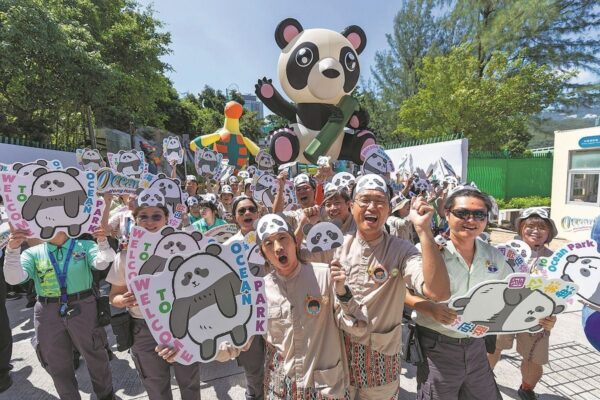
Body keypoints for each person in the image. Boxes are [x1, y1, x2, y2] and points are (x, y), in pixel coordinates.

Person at [411, 187, 553, 399]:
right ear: (446, 213)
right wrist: (427, 307)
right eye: (462, 213)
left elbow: (513, 296)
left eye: (479, 215)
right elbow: (400, 292)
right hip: (437, 347)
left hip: (476, 345)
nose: (471, 219)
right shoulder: (428, 249)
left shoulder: (493, 255)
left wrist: (540, 316)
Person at [217, 214, 368, 399]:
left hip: (324, 387)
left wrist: (343, 291)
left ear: (295, 242)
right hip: (281, 388)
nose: (278, 248)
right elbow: (241, 340)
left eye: (283, 238)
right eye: (269, 244)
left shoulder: (326, 276)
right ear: (262, 253)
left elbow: (358, 327)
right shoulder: (260, 291)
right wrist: (195, 347)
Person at [334, 174, 450, 399]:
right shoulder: (336, 246)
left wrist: (424, 230)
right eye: (364, 200)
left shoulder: (401, 250)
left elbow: (438, 292)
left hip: (381, 355)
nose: (372, 207)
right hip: (340, 354)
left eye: (379, 201)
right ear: (351, 205)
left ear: (388, 209)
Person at [4, 227, 116, 400]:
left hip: (83, 306)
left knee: (95, 354)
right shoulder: (33, 252)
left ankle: (106, 395)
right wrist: (12, 250)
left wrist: (102, 241)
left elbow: (103, 261)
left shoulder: (84, 245)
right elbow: (13, 278)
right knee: (56, 361)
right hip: (47, 310)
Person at [107, 202, 200, 400]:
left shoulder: (186, 251)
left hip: (182, 326)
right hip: (143, 330)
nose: (150, 222)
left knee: (189, 383)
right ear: (136, 221)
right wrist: (122, 300)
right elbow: (113, 296)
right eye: (143, 216)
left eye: (156, 216)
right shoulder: (125, 257)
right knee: (156, 387)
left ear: (167, 219)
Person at [487, 207, 558, 400]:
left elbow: (561, 293)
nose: (536, 230)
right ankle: (484, 379)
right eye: (530, 226)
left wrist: (553, 314)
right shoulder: (503, 251)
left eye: (542, 226)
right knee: (493, 347)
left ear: (550, 232)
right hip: (503, 310)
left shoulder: (557, 260)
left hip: (537, 316)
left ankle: (526, 388)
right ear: (520, 229)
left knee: (535, 358)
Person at [223, 196, 265, 400]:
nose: (247, 213)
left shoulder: (270, 237)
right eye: (242, 211)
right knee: (254, 369)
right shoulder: (229, 246)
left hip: (275, 312)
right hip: (247, 316)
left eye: (251, 209)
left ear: (257, 213)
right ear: (234, 218)